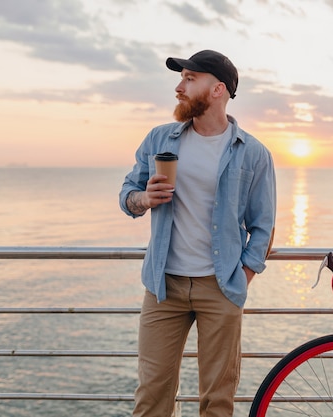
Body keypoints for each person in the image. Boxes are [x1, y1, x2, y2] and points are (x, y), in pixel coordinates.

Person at [119, 49, 277, 417]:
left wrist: (242, 277)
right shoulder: (160, 139)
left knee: (217, 400)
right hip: (163, 287)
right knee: (151, 397)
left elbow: (263, 225)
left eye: (190, 79)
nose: (179, 87)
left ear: (218, 89)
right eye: (181, 78)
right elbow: (127, 193)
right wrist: (144, 198)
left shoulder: (252, 153)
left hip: (220, 286)